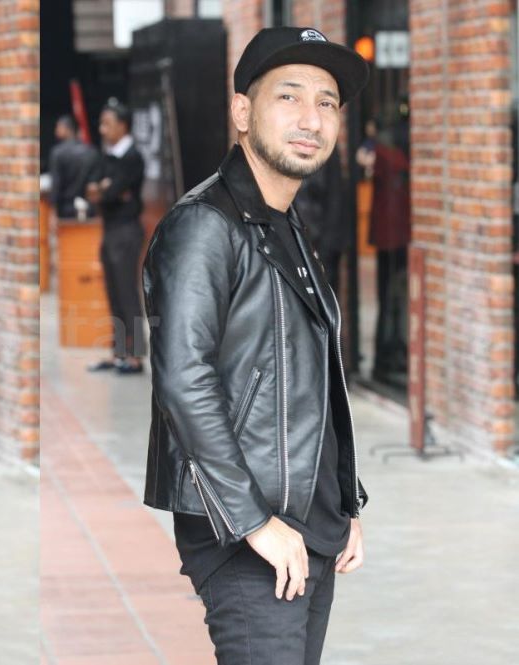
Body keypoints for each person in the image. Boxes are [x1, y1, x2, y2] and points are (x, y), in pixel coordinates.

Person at [142, 27, 369, 665]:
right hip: (248, 529)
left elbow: (311, 376)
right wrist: (253, 521)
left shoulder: (288, 225)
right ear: (243, 112)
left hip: (308, 522)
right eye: (288, 97)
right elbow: (183, 380)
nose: (311, 119)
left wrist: (345, 500)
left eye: (327, 103)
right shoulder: (204, 225)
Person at [86, 101, 147, 374]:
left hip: (126, 231)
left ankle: (136, 356)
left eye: (107, 124)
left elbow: (111, 192)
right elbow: (93, 189)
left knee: (127, 294)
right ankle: (119, 352)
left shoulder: (133, 157)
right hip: (110, 229)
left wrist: (106, 190)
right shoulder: (107, 156)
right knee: (113, 294)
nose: (102, 129)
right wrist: (104, 190)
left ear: (123, 126)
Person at [370, 119, 411, 379]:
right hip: (392, 237)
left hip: (395, 236)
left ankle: (392, 352)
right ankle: (385, 357)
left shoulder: (387, 154)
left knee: (393, 298)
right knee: (389, 298)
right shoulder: (390, 156)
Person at [294, 149, 347, 293]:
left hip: (320, 240)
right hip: (296, 237)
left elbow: (335, 199)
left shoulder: (327, 151)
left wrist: (327, 245)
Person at [48, 114, 97, 219]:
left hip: (66, 208)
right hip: (88, 208)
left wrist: (52, 210)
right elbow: (94, 184)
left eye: (58, 127)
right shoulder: (91, 151)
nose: (55, 131)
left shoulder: (57, 153)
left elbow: (56, 184)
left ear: (67, 129)